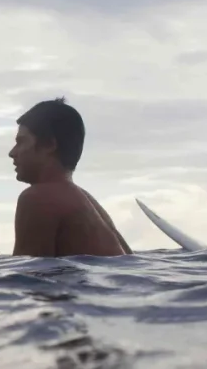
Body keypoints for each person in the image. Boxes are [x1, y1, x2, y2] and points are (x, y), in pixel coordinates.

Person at [8, 97, 131, 257]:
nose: (12, 153)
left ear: (49, 145)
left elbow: (26, 278)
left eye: (21, 142)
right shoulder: (83, 198)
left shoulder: (39, 198)